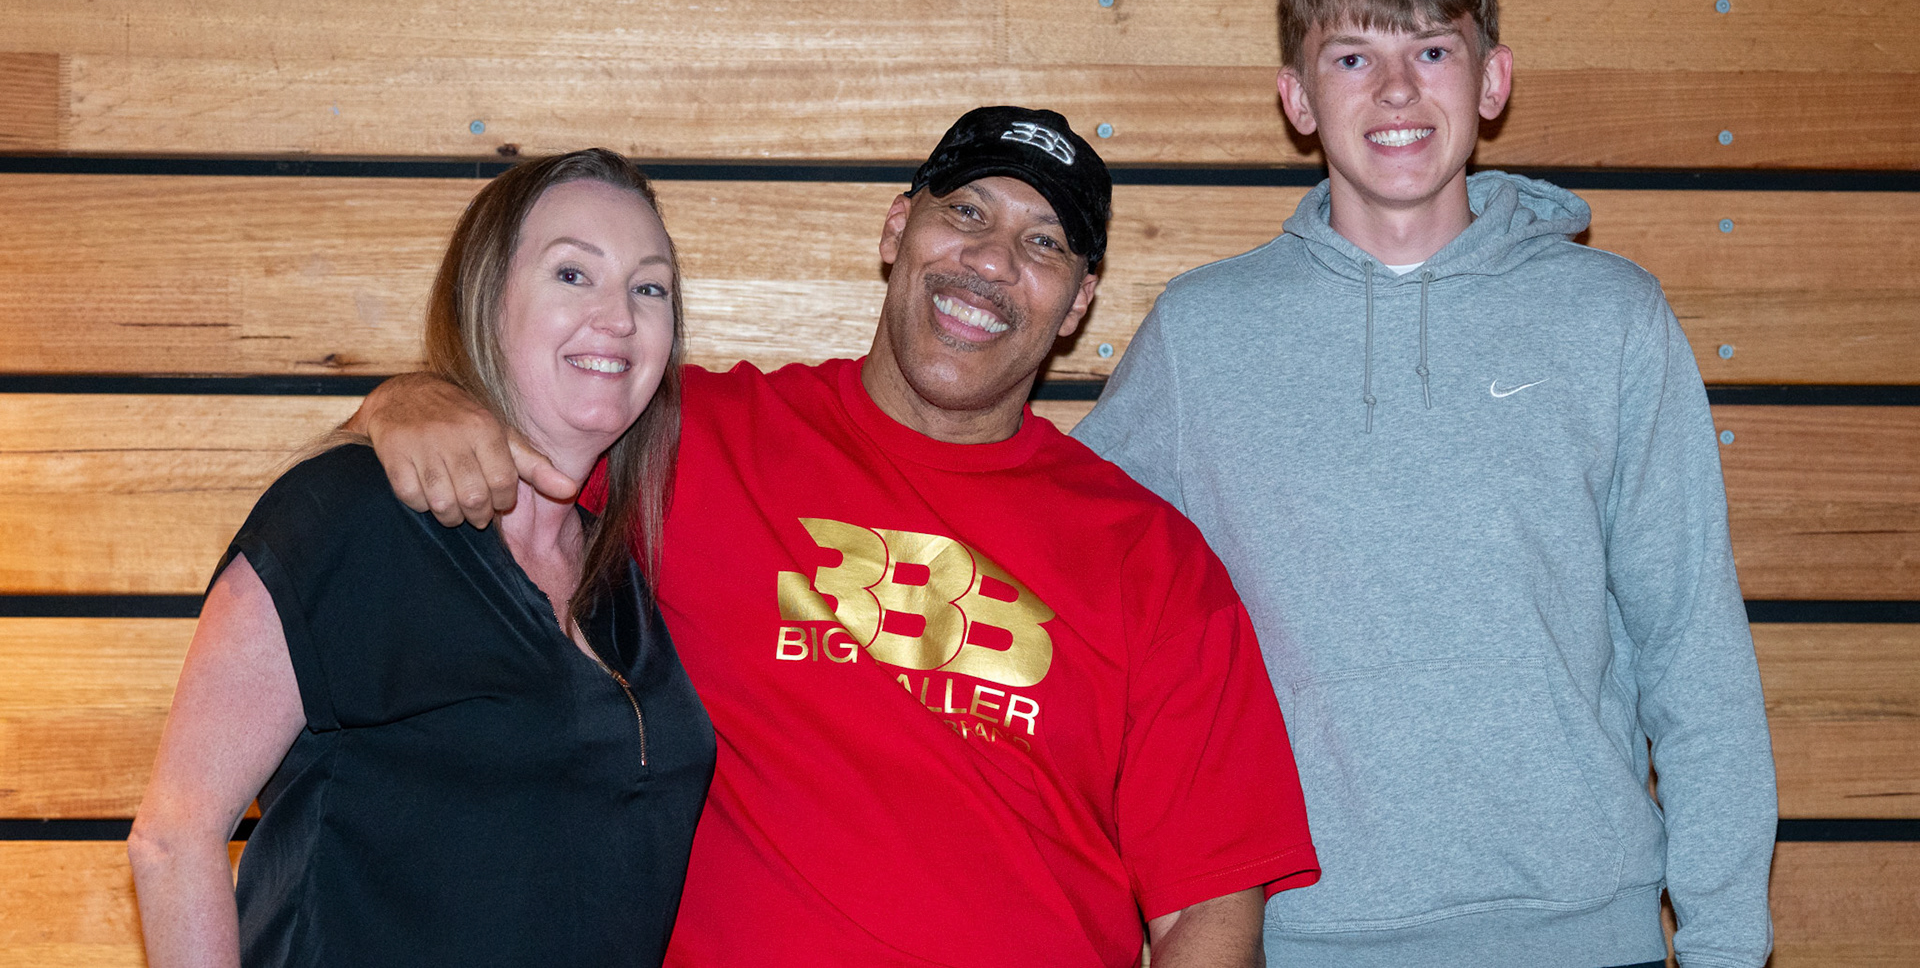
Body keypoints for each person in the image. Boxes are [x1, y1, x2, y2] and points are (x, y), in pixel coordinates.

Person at [355, 106, 1321, 966]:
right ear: (898, 229)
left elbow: (1211, 908)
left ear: (1077, 302)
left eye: (1044, 243)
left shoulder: (1155, 561)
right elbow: (500, 429)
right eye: (967, 212)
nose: (992, 261)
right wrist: (406, 400)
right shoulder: (688, 441)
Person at [1072, 0, 1777, 968]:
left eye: (1433, 50)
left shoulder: (1609, 318)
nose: (1397, 90)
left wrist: (1725, 944)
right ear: (1297, 98)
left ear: (1492, 81)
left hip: (1586, 935)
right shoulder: (1203, 335)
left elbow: (1693, 647)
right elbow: (1071, 589)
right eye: (1353, 56)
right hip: (1303, 937)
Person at [129, 150, 716, 968]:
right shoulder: (355, 513)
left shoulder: (621, 571)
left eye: (649, 288)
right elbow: (173, 837)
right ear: (488, 298)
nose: (617, 316)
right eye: (572, 274)